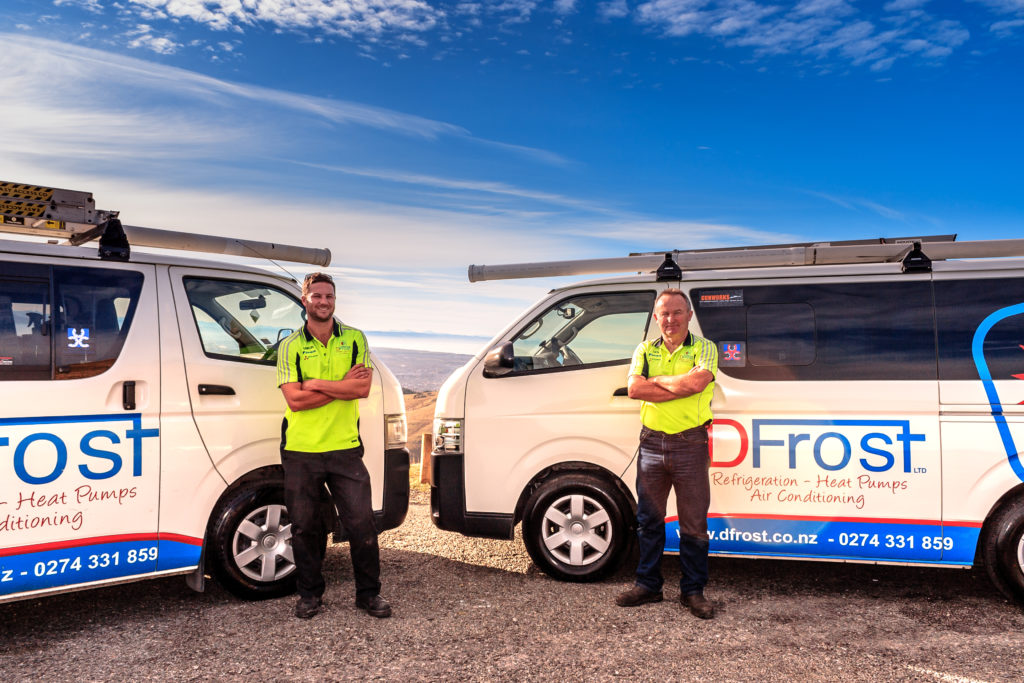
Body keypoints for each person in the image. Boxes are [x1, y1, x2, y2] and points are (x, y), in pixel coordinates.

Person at [276, 271, 390, 619]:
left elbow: (361, 390)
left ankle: (368, 595)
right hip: (301, 449)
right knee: (305, 528)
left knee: (362, 526)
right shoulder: (290, 346)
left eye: (329, 296)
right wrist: (339, 385)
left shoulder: (354, 339)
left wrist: (315, 383)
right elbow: (294, 401)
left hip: (345, 448)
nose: (323, 302)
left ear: (334, 300)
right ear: (304, 300)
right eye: (317, 296)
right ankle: (310, 596)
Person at [615, 288, 718, 619]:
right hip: (651, 445)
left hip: (691, 444)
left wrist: (657, 381)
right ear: (656, 318)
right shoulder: (645, 349)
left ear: (689, 316)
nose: (670, 319)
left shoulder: (705, 348)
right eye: (664, 314)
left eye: (677, 312)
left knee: (693, 523)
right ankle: (648, 586)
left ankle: (693, 591)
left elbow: (697, 384)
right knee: (649, 520)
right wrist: (676, 383)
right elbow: (635, 389)